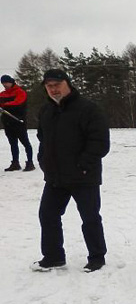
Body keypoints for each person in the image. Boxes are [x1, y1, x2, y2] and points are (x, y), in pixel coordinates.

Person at [31, 69, 110, 273]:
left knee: (90, 217)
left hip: (84, 176)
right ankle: (53, 257)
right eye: (49, 86)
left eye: (57, 84)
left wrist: (83, 165)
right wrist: (43, 160)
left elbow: (100, 142)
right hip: (56, 176)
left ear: (68, 83)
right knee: (47, 215)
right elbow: (43, 140)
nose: (53, 89)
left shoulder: (88, 109)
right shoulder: (46, 111)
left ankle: (97, 257)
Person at [0, 74, 35, 172]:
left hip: (18, 121)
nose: (5, 85)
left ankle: (30, 162)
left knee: (25, 142)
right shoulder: (2, 94)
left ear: (11, 82)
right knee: (13, 144)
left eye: (6, 82)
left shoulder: (20, 92)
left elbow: (18, 103)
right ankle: (15, 163)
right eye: (3, 83)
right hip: (7, 122)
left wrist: (5, 105)